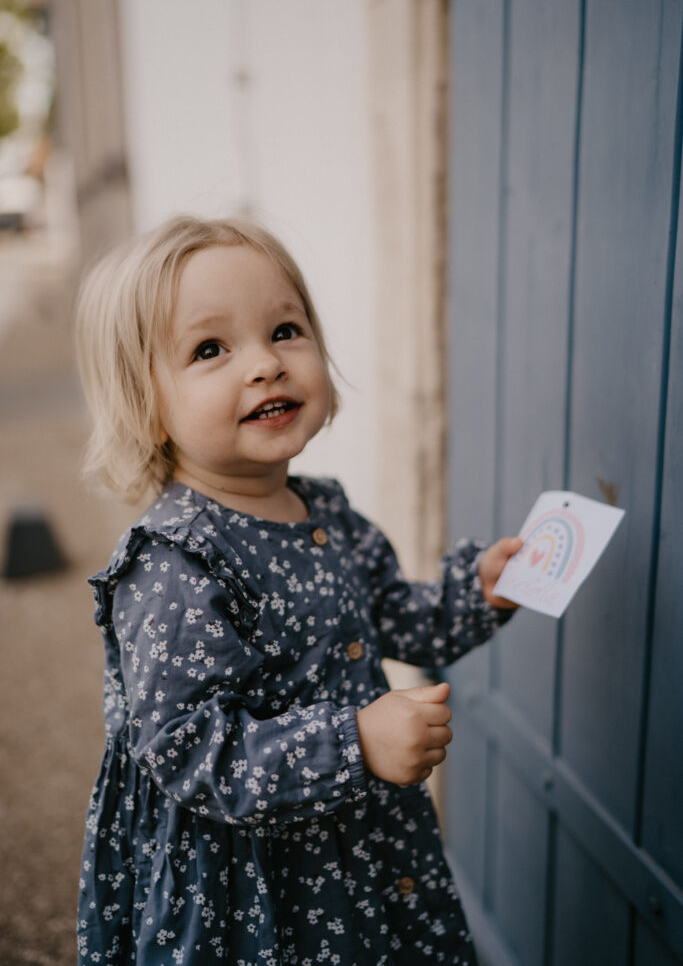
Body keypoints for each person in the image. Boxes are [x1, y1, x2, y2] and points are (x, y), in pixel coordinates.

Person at [75, 215, 522, 965]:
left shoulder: (328, 512)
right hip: (251, 885)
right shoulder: (174, 564)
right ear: (145, 404)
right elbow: (188, 750)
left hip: (357, 844)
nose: (264, 365)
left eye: (284, 330)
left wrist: (475, 594)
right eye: (210, 349)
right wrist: (353, 742)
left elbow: (393, 619)